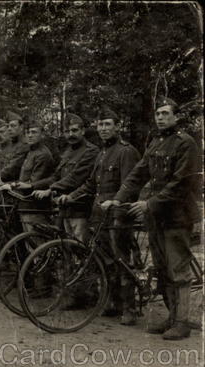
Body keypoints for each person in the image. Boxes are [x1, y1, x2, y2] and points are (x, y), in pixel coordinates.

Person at [104, 97, 200, 339]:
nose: (160, 117)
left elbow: (180, 183)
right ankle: (172, 317)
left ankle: (183, 322)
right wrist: (119, 197)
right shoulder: (156, 142)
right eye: (158, 113)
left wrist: (149, 203)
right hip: (156, 217)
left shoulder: (185, 143)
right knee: (162, 268)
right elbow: (139, 172)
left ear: (176, 117)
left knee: (179, 271)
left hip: (177, 216)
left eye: (166, 113)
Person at [59, 107, 141, 325]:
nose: (103, 129)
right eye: (100, 125)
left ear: (118, 126)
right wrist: (71, 196)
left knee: (121, 260)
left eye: (108, 124)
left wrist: (116, 206)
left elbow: (130, 186)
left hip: (118, 215)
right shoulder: (102, 153)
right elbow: (90, 184)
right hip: (98, 214)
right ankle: (111, 302)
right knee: (103, 260)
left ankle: (129, 308)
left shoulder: (126, 151)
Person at [31, 113, 99, 242]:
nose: (70, 135)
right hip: (65, 207)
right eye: (67, 131)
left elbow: (76, 177)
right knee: (68, 246)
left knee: (81, 246)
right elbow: (57, 175)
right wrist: (41, 187)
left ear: (83, 131)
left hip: (81, 207)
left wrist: (50, 190)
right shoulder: (68, 151)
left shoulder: (91, 151)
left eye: (74, 130)